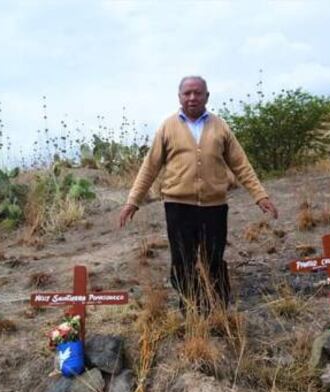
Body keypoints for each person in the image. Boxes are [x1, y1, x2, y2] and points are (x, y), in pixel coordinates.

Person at [119, 76, 278, 313]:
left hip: (214, 206)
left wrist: (260, 196)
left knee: (214, 257)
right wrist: (133, 201)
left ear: (207, 96)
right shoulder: (167, 126)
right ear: (179, 96)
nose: (192, 97)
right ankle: (191, 308)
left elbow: (241, 165)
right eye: (187, 93)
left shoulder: (220, 126)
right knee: (182, 260)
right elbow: (150, 167)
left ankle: (218, 308)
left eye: (197, 93)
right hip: (178, 206)